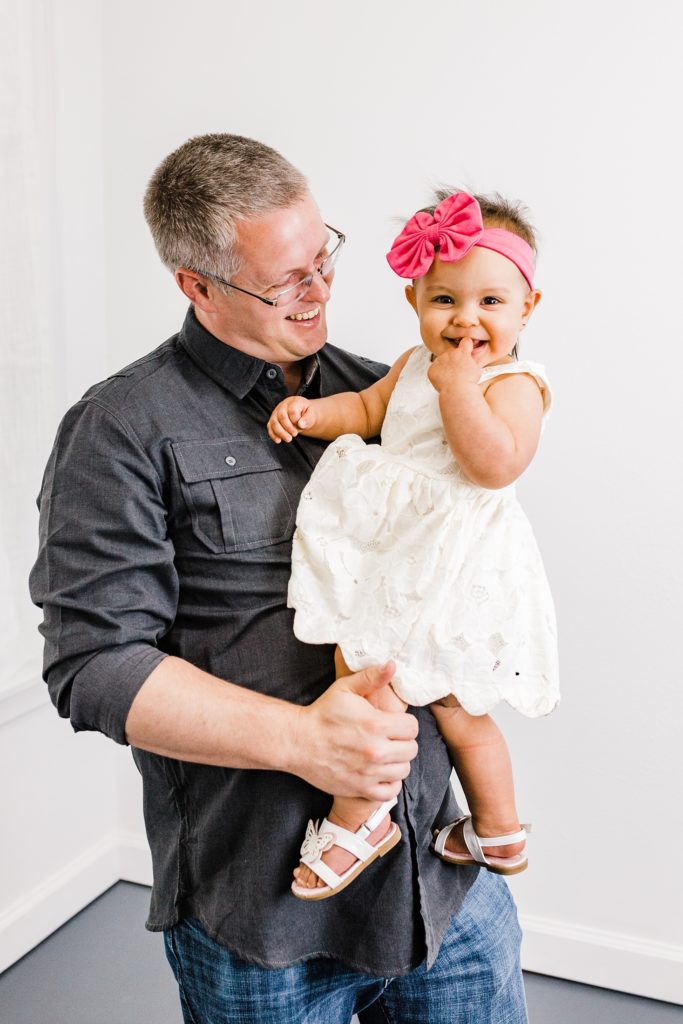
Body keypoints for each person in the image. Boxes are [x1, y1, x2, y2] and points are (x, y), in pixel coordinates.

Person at [30, 135, 529, 1023]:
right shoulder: (120, 428)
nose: (320, 291)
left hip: (442, 892)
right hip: (260, 914)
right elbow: (94, 666)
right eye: (284, 280)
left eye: (323, 259)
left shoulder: (389, 394)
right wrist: (304, 740)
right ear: (197, 285)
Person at [267, 190, 560, 899]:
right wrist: (313, 414)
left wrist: (460, 390)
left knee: (376, 677)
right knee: (440, 699)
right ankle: (497, 832)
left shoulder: (513, 381)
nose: (465, 319)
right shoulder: (409, 364)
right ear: (413, 300)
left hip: (455, 564)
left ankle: (362, 816)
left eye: (491, 302)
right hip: (403, 554)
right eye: (444, 301)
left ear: (528, 307)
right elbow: (367, 412)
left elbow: (494, 464)